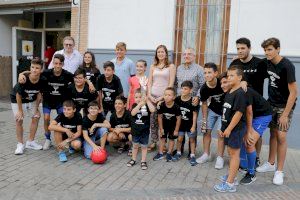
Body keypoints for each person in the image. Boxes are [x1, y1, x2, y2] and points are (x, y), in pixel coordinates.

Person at [256, 38, 297, 185]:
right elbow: (252, 62)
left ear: (278, 49)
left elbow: (294, 92)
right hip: (271, 104)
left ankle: (279, 171)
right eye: (265, 50)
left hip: (284, 106)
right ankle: (270, 163)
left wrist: (285, 114)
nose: (267, 53)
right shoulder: (267, 62)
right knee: (272, 133)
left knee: (281, 136)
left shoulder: (287, 66)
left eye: (270, 49)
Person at [230, 38, 268, 167]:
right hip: (240, 105)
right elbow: (230, 81)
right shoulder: (235, 63)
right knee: (242, 131)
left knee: (255, 135)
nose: (240, 51)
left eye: (243, 48)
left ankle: (256, 157)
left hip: (256, 106)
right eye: (238, 48)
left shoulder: (260, 63)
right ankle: (243, 158)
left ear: (249, 48)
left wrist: (246, 82)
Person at [214, 65, 247, 193]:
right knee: (231, 153)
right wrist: (223, 127)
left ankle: (230, 183)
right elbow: (226, 112)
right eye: (228, 75)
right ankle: (231, 176)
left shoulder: (239, 93)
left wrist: (229, 129)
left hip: (235, 129)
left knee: (234, 155)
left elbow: (238, 113)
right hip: (227, 128)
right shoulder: (230, 91)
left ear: (239, 78)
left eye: (232, 75)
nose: (229, 78)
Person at [239, 87, 272, 185]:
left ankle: (251, 174)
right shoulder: (231, 92)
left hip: (262, 115)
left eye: (231, 76)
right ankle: (245, 166)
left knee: (250, 142)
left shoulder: (243, 90)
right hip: (251, 116)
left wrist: (248, 131)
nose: (224, 84)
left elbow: (249, 112)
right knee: (242, 139)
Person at [11, 58, 44, 155]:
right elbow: (18, 94)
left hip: (31, 99)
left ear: (41, 70)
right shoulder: (24, 78)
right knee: (19, 119)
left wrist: (37, 109)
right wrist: (20, 110)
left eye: (37, 68)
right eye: (32, 67)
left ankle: (30, 142)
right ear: (30, 68)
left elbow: (39, 94)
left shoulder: (42, 79)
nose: (34, 70)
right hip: (17, 99)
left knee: (36, 117)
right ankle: (20, 144)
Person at [175, 47, 204, 156]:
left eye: (189, 54)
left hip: (192, 101)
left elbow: (203, 85)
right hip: (179, 101)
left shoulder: (199, 69)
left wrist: (198, 96)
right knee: (179, 123)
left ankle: (192, 150)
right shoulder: (179, 68)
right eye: (185, 54)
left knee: (192, 124)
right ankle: (179, 149)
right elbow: (175, 84)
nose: (186, 56)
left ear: (194, 56)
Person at [197, 63, 226, 169]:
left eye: (209, 72)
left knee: (220, 134)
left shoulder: (222, 82)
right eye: (205, 73)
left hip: (224, 111)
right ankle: (206, 154)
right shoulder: (204, 88)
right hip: (213, 110)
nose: (207, 75)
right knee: (206, 131)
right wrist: (204, 120)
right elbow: (204, 104)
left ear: (215, 73)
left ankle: (220, 157)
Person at [147, 45, 176, 151]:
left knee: (163, 122)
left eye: (162, 52)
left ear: (166, 53)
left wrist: (162, 97)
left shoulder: (171, 66)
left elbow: (171, 83)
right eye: (158, 52)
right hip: (153, 97)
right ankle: (154, 141)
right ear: (156, 54)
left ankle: (163, 144)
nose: (160, 54)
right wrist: (149, 95)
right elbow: (149, 82)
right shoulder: (152, 66)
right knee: (153, 121)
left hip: (165, 98)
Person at [127, 89, 155, 169]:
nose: (138, 99)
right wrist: (139, 105)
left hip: (145, 131)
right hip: (135, 131)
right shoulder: (134, 105)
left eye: (140, 97)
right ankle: (133, 159)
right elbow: (133, 113)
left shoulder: (147, 106)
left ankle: (143, 161)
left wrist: (147, 101)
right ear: (134, 98)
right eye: (136, 97)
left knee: (144, 147)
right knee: (135, 146)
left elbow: (153, 110)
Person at [172, 81, 198, 166]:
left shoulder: (193, 101)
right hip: (181, 124)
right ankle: (178, 152)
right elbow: (170, 104)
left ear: (190, 90)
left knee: (192, 140)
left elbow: (194, 114)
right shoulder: (178, 99)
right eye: (182, 88)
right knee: (179, 139)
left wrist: (194, 126)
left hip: (190, 124)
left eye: (185, 89)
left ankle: (192, 155)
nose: (183, 90)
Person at [153, 87, 181, 162]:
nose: (167, 97)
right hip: (164, 126)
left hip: (173, 126)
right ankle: (160, 153)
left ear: (174, 97)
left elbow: (178, 119)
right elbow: (159, 117)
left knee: (171, 139)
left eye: (169, 95)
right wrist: (161, 128)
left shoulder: (176, 107)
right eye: (165, 95)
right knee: (162, 139)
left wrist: (176, 130)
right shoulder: (161, 105)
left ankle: (169, 153)